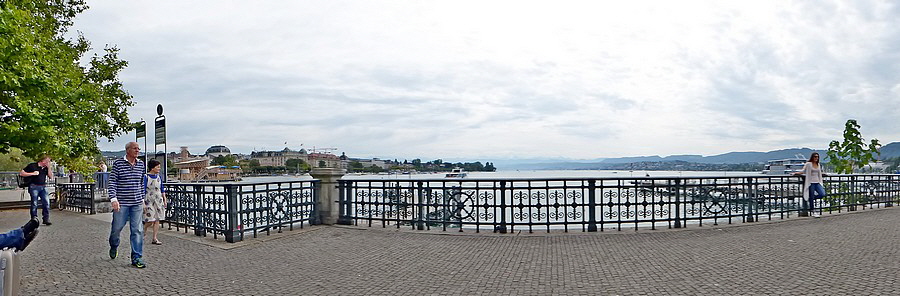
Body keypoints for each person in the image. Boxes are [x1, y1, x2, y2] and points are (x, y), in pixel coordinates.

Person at [108, 142, 147, 268]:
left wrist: (142, 198)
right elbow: (112, 181)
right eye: (135, 149)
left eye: (138, 149)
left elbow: (141, 182)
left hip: (136, 203)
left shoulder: (141, 164)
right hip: (122, 203)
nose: (137, 151)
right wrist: (113, 199)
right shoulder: (118, 164)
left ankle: (137, 257)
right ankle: (114, 245)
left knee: (137, 230)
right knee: (117, 228)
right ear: (128, 150)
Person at [19, 155, 54, 225]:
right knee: (34, 203)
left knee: (46, 203)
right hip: (34, 186)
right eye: (48, 161)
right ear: (43, 160)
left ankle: (46, 219)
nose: (49, 162)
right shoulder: (32, 166)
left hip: (43, 187)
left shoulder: (46, 168)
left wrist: (49, 168)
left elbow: (51, 177)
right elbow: (21, 173)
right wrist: (32, 173)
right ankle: (34, 219)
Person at [793, 152, 827, 218]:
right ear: (812, 157)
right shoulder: (808, 164)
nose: (816, 158)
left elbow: (819, 172)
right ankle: (813, 211)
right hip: (810, 182)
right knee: (811, 196)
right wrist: (796, 173)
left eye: (817, 157)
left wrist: (824, 174)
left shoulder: (818, 164)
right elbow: (803, 171)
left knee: (822, 194)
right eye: (815, 156)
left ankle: (809, 199)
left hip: (817, 182)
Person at [143, 159, 167, 245]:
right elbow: (143, 189)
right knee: (150, 219)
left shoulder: (159, 177)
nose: (159, 169)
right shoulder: (146, 177)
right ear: (152, 168)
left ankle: (155, 238)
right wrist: (142, 201)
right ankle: (144, 229)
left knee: (157, 219)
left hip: (158, 199)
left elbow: (162, 188)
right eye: (158, 167)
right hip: (149, 199)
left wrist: (164, 198)